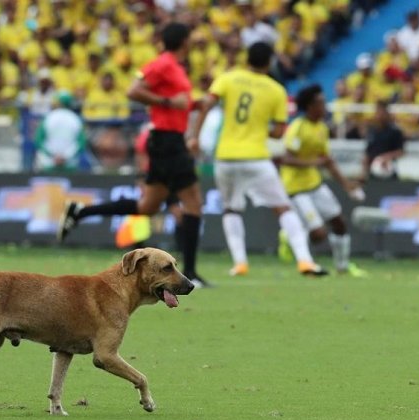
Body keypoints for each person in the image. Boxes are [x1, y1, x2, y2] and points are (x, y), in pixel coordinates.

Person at [57, 22, 209, 288]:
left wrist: (193, 104)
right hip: (167, 141)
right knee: (193, 202)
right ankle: (193, 272)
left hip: (168, 141)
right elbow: (133, 91)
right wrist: (168, 102)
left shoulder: (174, 67)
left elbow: (176, 103)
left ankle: (80, 211)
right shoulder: (163, 63)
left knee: (147, 207)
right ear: (184, 41)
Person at [189, 41, 327, 277]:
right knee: (283, 208)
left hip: (226, 156)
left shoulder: (228, 78)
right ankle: (305, 261)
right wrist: (261, 127)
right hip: (256, 157)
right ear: (270, 62)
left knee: (232, 209)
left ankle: (240, 263)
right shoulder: (276, 90)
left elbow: (206, 105)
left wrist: (194, 136)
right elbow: (279, 132)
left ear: (247, 58)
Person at [279, 84, 367, 277]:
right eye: (320, 104)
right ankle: (288, 237)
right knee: (319, 235)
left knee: (339, 223)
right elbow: (285, 158)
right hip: (296, 188)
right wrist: (315, 162)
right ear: (309, 107)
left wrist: (347, 185)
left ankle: (343, 267)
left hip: (315, 184)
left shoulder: (321, 128)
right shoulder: (297, 128)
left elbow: (328, 161)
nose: (324, 107)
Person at [34, 90, 87, 172]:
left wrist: (53, 155)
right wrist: (66, 156)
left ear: (58, 103)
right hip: (70, 164)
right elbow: (81, 143)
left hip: (49, 164)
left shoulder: (48, 118)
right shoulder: (76, 119)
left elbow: (38, 140)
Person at [362, 101, 405, 181]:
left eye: (382, 112)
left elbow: (401, 151)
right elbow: (368, 152)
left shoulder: (395, 131)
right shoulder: (372, 131)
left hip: (389, 170)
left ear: (387, 113)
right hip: (373, 172)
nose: (379, 115)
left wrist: (386, 157)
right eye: (377, 112)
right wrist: (363, 172)